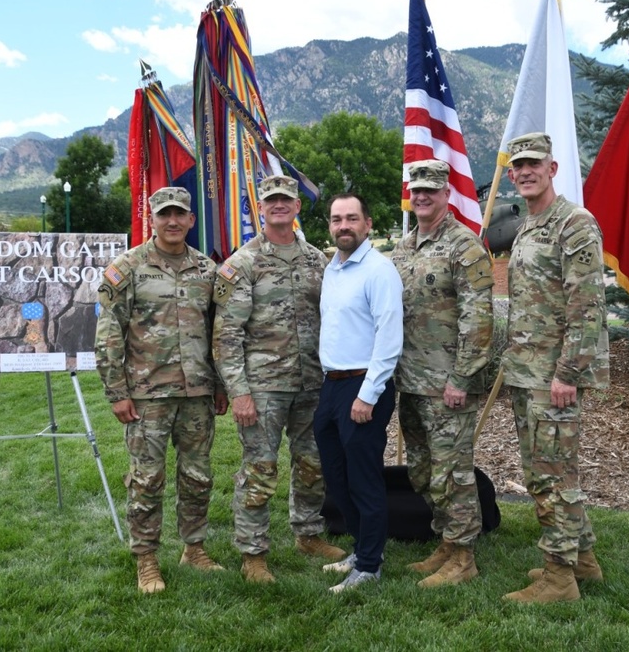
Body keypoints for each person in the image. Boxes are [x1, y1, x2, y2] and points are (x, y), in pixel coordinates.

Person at [95, 186, 229, 594]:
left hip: (197, 394)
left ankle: (195, 548)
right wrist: (117, 391)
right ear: (152, 218)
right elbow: (108, 333)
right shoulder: (129, 267)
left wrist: (221, 384)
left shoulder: (207, 270)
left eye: (180, 214)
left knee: (197, 475)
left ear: (191, 220)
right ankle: (147, 559)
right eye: (164, 214)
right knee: (146, 479)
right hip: (146, 395)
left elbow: (219, 333)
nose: (173, 221)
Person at [212, 175, 346, 584]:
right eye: (271, 201)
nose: (279, 206)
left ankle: (307, 533)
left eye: (286, 200)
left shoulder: (316, 261)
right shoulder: (243, 264)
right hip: (262, 387)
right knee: (260, 468)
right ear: (260, 209)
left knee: (313, 462)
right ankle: (253, 554)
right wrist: (238, 392)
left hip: (311, 382)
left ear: (297, 207)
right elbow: (226, 335)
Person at [501, 132, 610, 604]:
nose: (526, 172)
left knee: (552, 476)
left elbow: (587, 306)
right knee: (547, 471)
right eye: (518, 167)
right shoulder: (530, 223)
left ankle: (559, 578)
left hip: (553, 376)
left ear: (553, 168)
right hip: (527, 372)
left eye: (534, 165)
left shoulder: (574, 223)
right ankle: (582, 561)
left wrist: (568, 372)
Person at [391, 160, 493, 587]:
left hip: (447, 384)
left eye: (430, 190)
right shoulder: (403, 247)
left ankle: (464, 556)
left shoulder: (464, 246)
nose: (422, 196)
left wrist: (462, 378)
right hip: (410, 382)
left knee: (453, 472)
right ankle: (446, 542)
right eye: (416, 190)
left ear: (446, 195)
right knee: (421, 469)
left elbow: (479, 317)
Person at [313, 193, 404, 593]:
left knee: (364, 479)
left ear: (368, 224)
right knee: (336, 476)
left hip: (365, 386)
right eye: (336, 219)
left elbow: (389, 338)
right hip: (331, 385)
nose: (343, 226)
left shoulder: (379, 271)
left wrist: (367, 395)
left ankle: (369, 565)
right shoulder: (333, 268)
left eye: (352, 218)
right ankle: (361, 546)